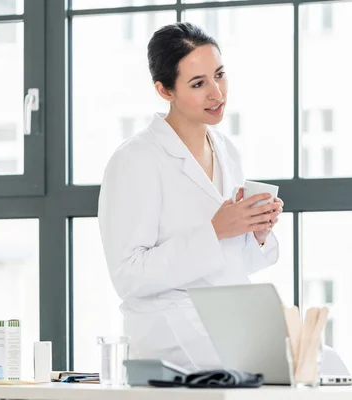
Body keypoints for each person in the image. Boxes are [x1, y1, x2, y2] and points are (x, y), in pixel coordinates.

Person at [98, 22, 283, 371]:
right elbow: (128, 276)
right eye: (198, 84)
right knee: (257, 376)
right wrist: (215, 230)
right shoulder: (135, 160)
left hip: (231, 318)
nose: (217, 93)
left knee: (318, 364)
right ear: (164, 90)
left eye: (220, 75)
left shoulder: (227, 150)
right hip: (168, 327)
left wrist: (256, 234)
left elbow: (230, 261)